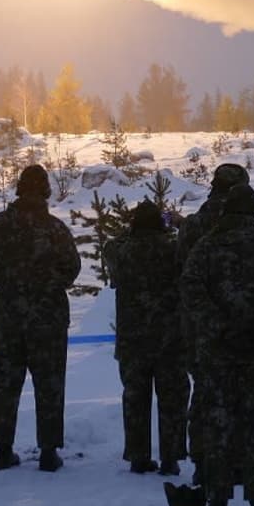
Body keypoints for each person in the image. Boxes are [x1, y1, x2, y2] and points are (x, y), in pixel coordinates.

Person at [180, 184, 254, 506]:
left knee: (218, 425)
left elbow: (191, 291)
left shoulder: (205, 249)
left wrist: (219, 328)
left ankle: (216, 504)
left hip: (216, 354)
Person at [0, 165, 80, 473]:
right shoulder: (55, 229)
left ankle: (2, 450)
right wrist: (47, 283)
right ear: (45, 191)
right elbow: (72, 268)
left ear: (18, 189)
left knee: (6, 382)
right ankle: (48, 452)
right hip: (49, 318)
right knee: (50, 384)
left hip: (8, 315)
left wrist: (1, 277)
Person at [177, 163, 250, 485]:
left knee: (205, 396)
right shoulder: (251, 231)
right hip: (245, 328)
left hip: (201, 328)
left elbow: (182, 272)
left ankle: (204, 464)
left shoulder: (194, 226)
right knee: (242, 398)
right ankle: (237, 463)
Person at [105, 200, 189, 475]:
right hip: (171, 339)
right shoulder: (174, 250)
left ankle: (138, 456)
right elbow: (194, 243)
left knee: (135, 398)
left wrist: (133, 230)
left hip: (132, 340)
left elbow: (111, 245)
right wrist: (174, 224)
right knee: (172, 398)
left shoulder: (121, 251)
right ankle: (171, 458)